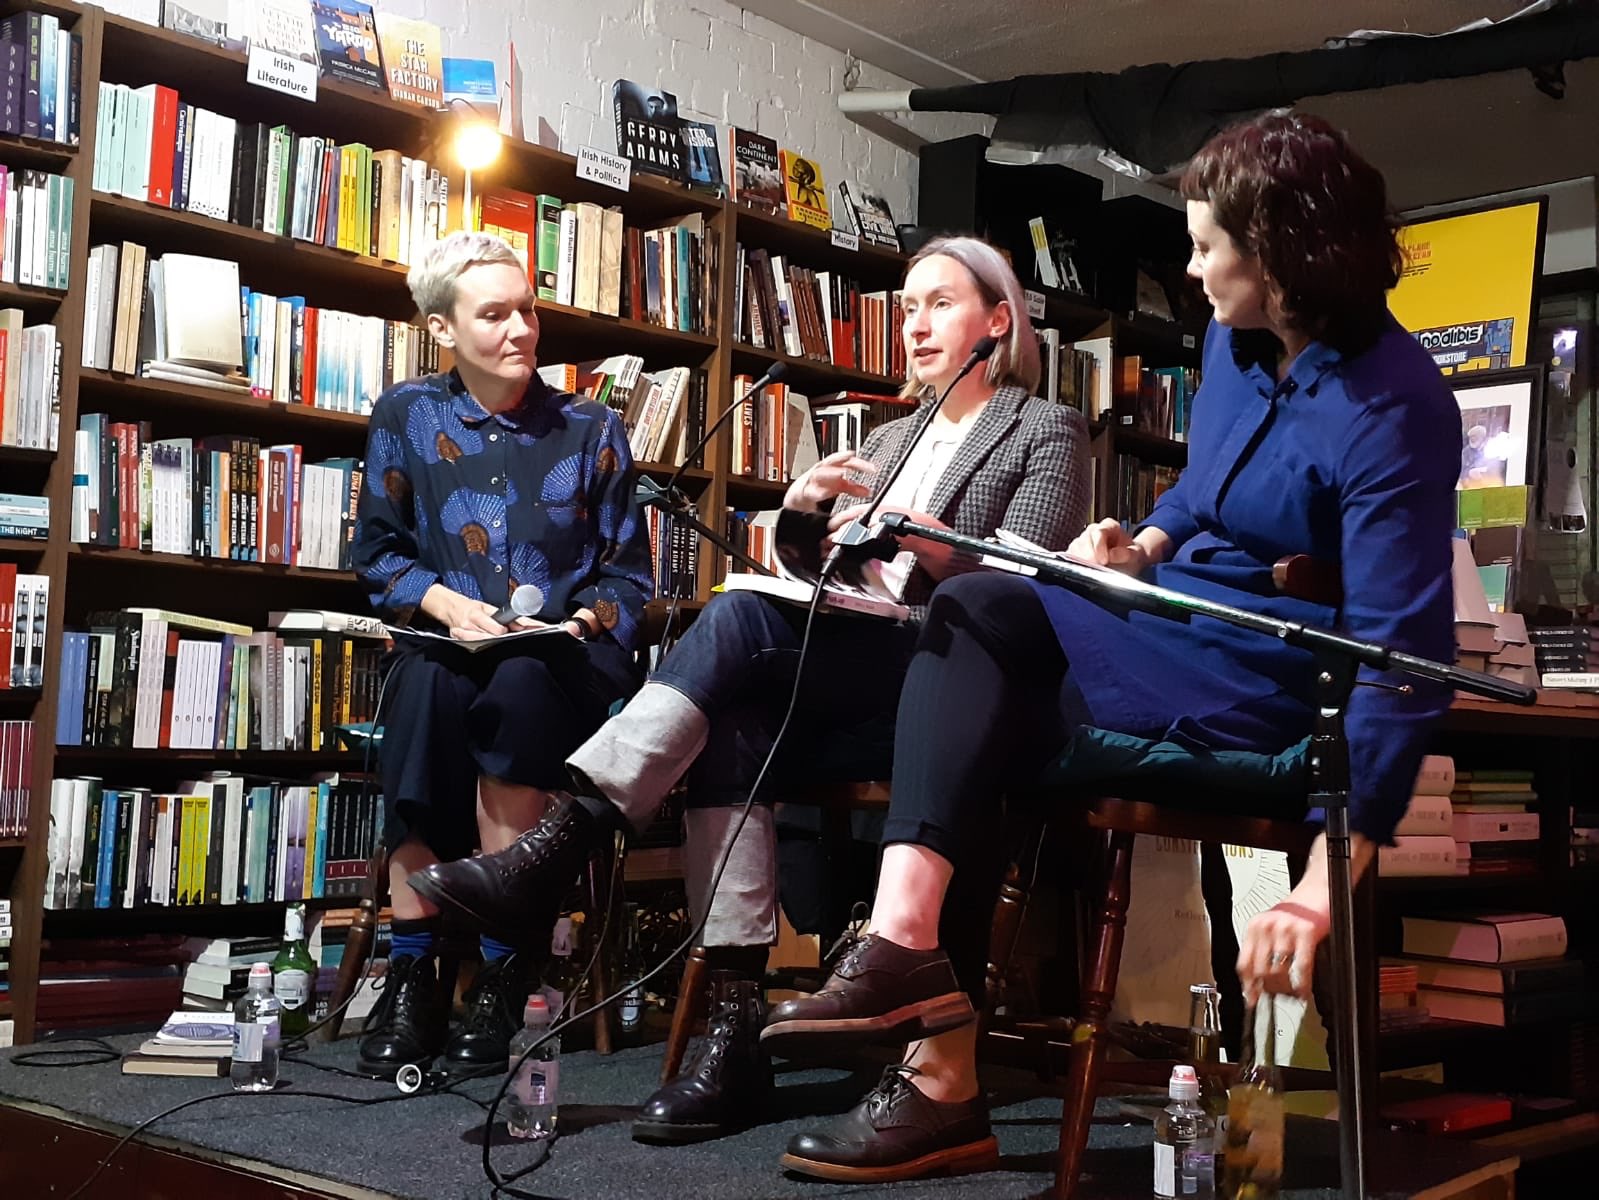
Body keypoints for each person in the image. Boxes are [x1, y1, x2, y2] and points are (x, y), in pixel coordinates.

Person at [764, 112, 1460, 1184]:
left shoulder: (1399, 404)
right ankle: (906, 953)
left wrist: (1325, 883)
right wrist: (1146, 539)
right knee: (977, 612)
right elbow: (1202, 484)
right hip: (1170, 610)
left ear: (1278, 254)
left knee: (975, 683)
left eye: (1205, 246)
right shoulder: (1236, 338)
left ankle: (935, 1055)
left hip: (1268, 662)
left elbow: (1400, 659)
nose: (1186, 268)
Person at [407, 235, 1094, 1139]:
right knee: (732, 713)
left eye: (939, 304)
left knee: (729, 625)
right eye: (906, 309)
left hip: (945, 681)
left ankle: (561, 841)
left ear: (996, 321)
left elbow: (1027, 578)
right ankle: (731, 1037)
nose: (916, 325)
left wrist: (921, 535)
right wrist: (802, 519)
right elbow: (826, 575)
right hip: (846, 661)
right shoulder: (892, 436)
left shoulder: (1042, 428)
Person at [350, 231, 653, 1080]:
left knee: (517, 687)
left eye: (527, 309)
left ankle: (503, 968)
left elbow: (628, 580)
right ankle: (414, 969)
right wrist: (445, 605)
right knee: (424, 697)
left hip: (560, 660)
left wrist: (578, 626)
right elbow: (377, 554)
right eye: (495, 314)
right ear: (443, 328)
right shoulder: (407, 415)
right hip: (449, 643)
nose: (521, 328)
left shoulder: (592, 427)